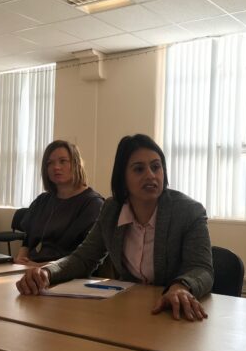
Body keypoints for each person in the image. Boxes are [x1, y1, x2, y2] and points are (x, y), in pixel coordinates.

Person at [16, 134, 214, 321]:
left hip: (174, 314)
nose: (151, 175)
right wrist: (48, 272)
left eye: (156, 167)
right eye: (138, 169)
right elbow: (84, 258)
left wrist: (180, 287)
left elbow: (201, 268)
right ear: (122, 177)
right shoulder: (112, 209)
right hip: (129, 310)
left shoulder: (188, 211)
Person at [14, 140, 104, 267]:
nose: (56, 167)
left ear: (76, 164)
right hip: (31, 270)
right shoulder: (42, 201)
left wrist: (39, 267)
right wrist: (21, 259)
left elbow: (84, 255)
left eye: (63, 161)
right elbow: (28, 240)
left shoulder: (92, 204)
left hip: (66, 274)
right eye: (50, 163)